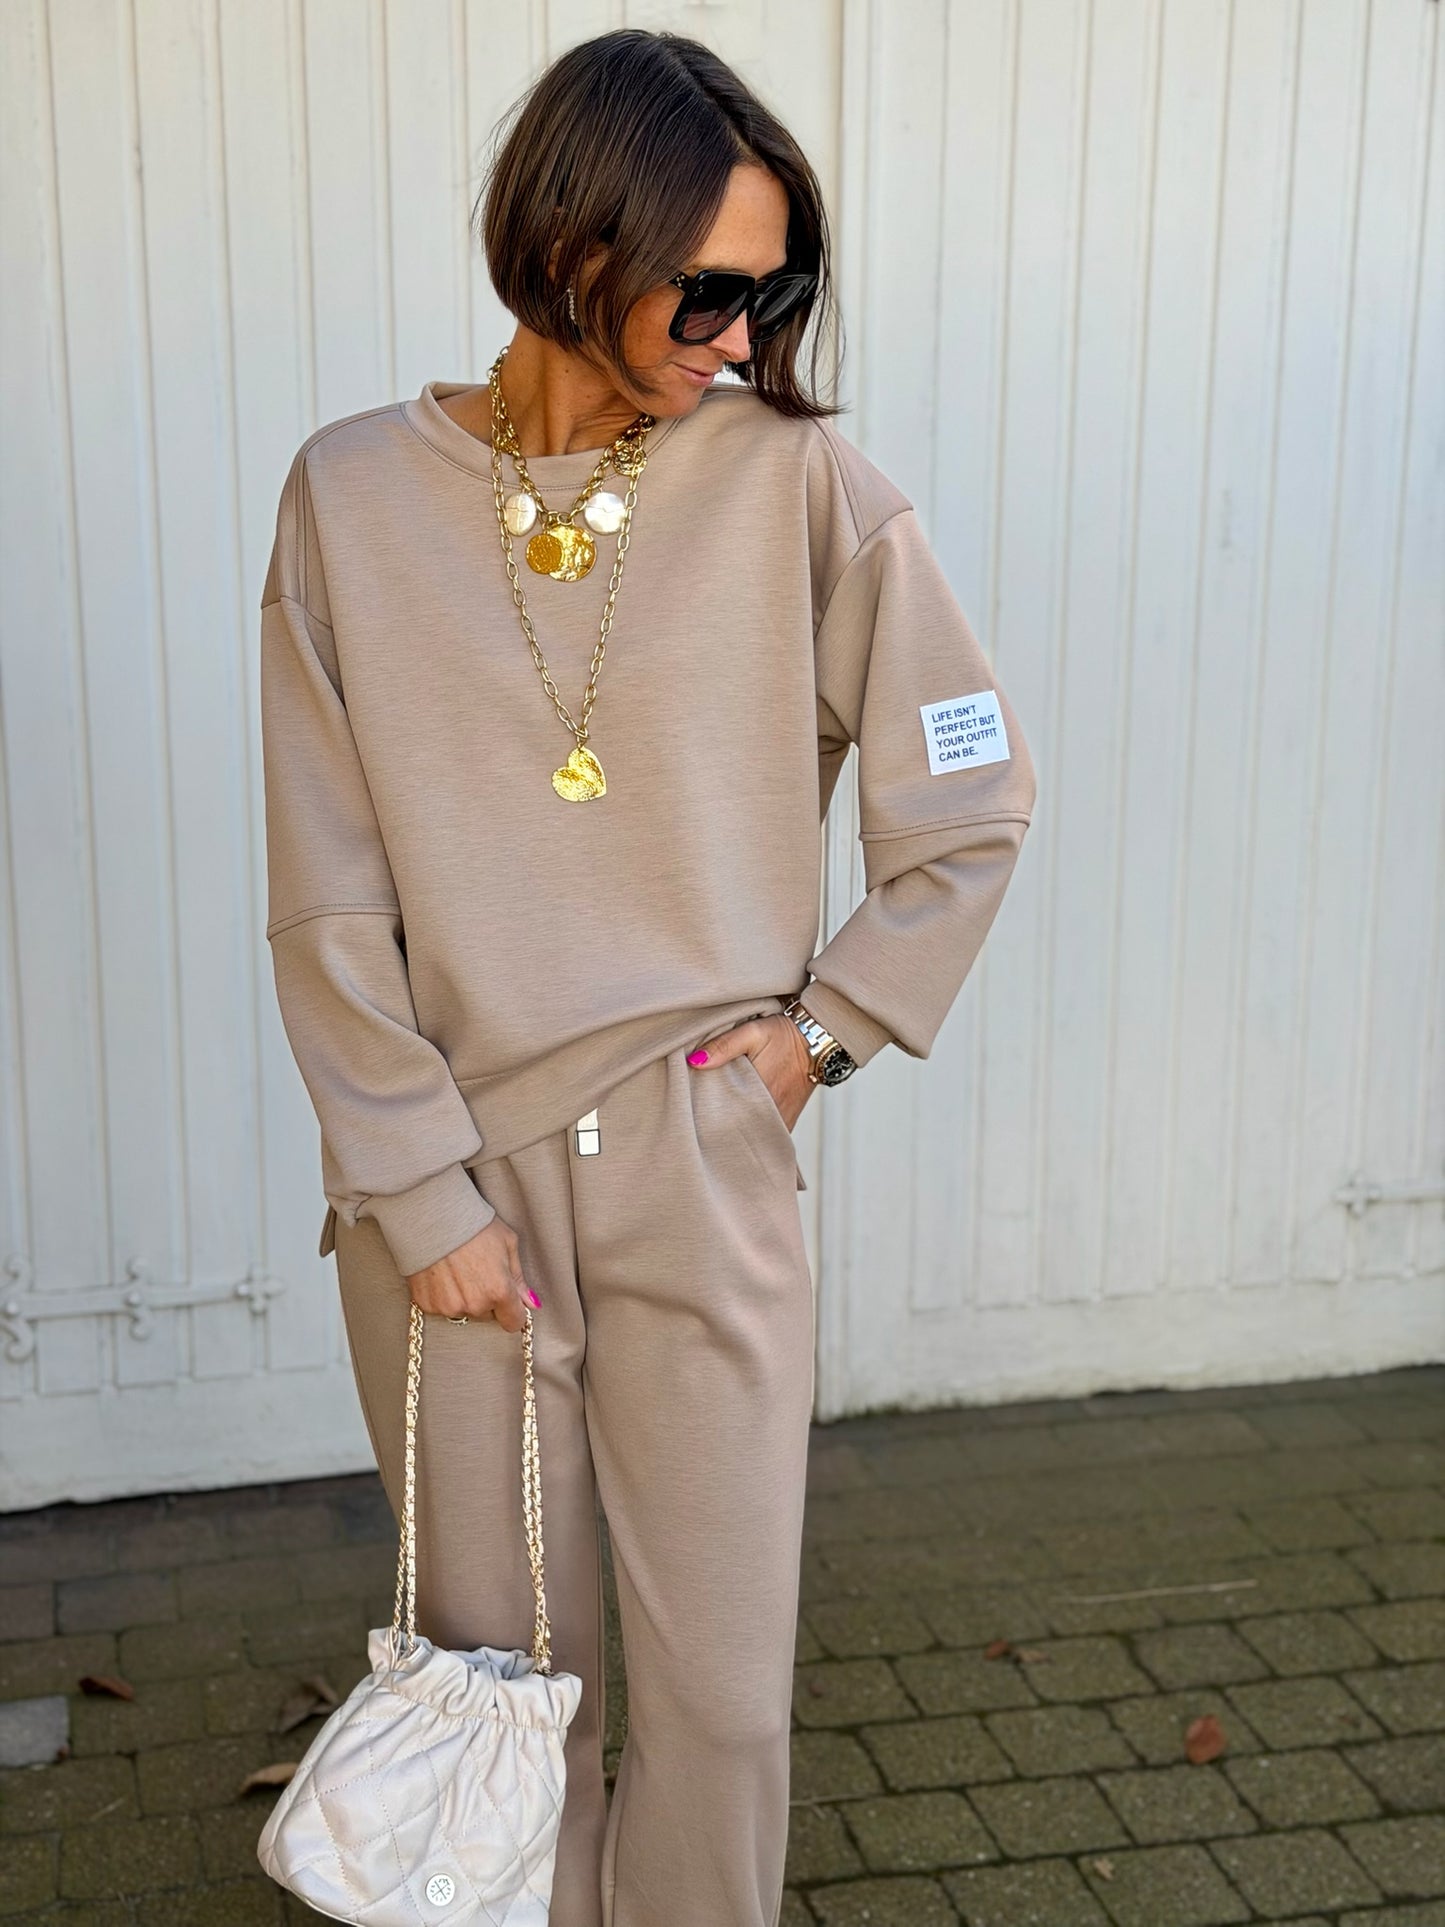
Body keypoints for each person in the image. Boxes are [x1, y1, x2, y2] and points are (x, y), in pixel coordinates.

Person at [258, 25, 1035, 1926]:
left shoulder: (801, 487)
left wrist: (813, 1044)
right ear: (572, 242)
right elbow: (326, 897)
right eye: (707, 290)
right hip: (454, 1186)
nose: (740, 336)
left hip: (700, 1149)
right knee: (510, 1692)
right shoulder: (351, 497)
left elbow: (968, 798)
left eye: (770, 293)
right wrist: (414, 1186)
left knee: (720, 1704)